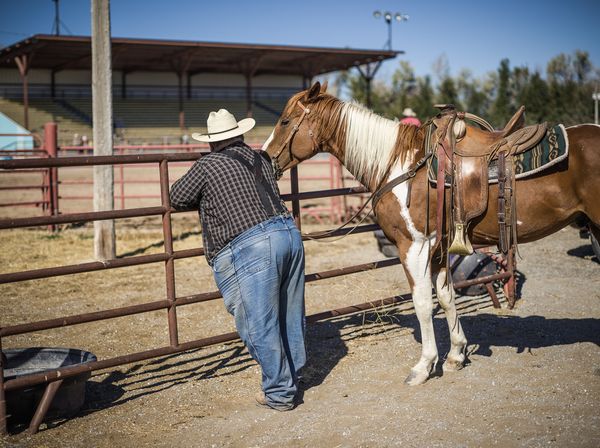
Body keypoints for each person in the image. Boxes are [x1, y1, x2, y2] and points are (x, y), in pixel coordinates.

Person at [169, 109, 306, 411]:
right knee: (289, 312)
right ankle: (292, 374)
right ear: (240, 134)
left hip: (251, 243)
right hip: (288, 232)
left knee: (258, 321)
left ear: (211, 142)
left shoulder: (208, 164)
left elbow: (176, 196)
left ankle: (280, 392)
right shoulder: (261, 158)